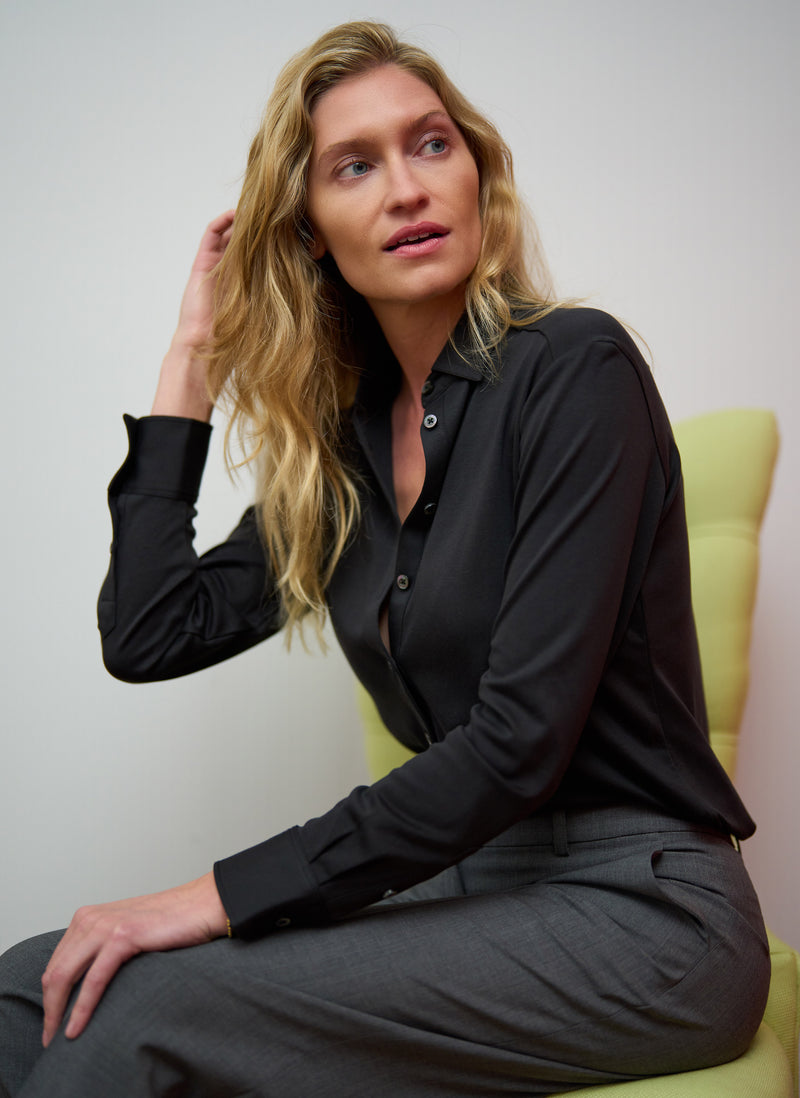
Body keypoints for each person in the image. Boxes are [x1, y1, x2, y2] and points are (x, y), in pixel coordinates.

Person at [0, 20, 769, 1097]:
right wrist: (189, 360)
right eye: (353, 167)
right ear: (309, 231)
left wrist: (207, 896)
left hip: (641, 914)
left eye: (431, 145)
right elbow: (146, 634)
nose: (405, 189)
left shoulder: (573, 369)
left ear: (475, 177)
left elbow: (514, 746)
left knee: (134, 1016)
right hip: (466, 892)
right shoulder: (344, 451)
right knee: (28, 989)